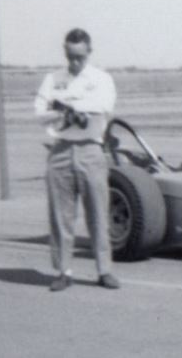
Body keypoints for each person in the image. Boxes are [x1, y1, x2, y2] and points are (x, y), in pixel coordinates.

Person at [34, 28, 119, 291]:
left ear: (89, 53)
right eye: (70, 56)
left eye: (80, 57)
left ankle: (104, 270)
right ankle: (63, 270)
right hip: (60, 149)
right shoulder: (53, 79)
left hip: (91, 150)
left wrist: (70, 107)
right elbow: (39, 112)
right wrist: (59, 112)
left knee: (97, 213)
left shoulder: (101, 78)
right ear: (65, 52)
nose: (74, 62)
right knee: (61, 215)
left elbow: (103, 107)